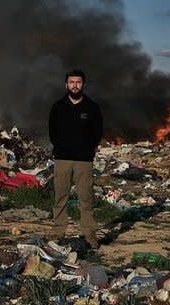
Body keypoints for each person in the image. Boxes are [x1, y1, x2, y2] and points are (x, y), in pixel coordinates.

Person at [48, 69, 103, 248]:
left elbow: (97, 132)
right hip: (62, 159)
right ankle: (58, 231)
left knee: (85, 198)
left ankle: (89, 234)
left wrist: (87, 149)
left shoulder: (92, 107)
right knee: (60, 196)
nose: (75, 85)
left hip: (84, 161)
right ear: (66, 85)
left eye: (78, 82)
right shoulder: (58, 107)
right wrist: (60, 147)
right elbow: (52, 132)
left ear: (83, 84)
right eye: (71, 82)